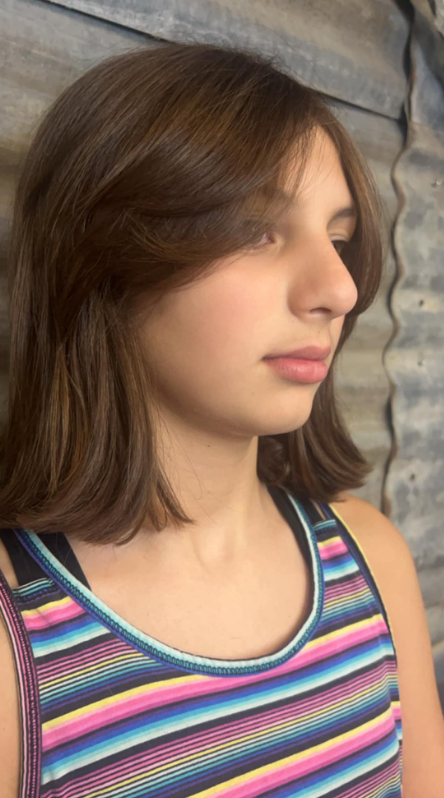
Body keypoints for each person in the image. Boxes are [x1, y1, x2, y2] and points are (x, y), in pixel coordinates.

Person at [0, 39, 443, 798]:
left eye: (339, 239)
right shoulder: (19, 644)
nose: (339, 288)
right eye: (254, 229)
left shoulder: (370, 560)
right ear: (101, 258)